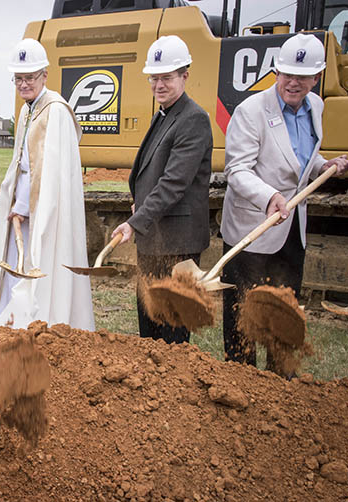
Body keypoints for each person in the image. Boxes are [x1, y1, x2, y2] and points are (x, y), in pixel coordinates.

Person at [220, 34, 348, 371]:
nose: (293, 83)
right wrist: (269, 197)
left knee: (284, 313)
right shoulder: (251, 111)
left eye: (302, 76)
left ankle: (280, 385)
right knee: (243, 316)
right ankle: (239, 379)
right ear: (276, 71)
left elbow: (297, 156)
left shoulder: (315, 106)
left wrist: (324, 165)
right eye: (286, 74)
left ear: (316, 77)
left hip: (293, 231)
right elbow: (236, 170)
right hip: (252, 229)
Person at [0, 39, 94, 331]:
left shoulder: (54, 110)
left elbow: (49, 174)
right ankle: (16, 321)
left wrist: (22, 207)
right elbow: (22, 166)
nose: (24, 83)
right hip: (25, 211)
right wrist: (15, 203)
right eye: (19, 78)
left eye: (30, 77)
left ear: (44, 75)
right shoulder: (27, 111)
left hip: (46, 214)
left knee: (44, 263)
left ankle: (46, 321)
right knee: (19, 265)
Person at [111, 35, 212, 344]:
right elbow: (151, 173)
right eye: (154, 78)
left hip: (177, 243)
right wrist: (138, 205)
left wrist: (136, 220)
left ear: (185, 75)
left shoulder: (193, 119)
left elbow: (174, 182)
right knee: (150, 325)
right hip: (154, 239)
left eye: (166, 77)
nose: (158, 85)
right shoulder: (164, 114)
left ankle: (172, 388)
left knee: (173, 330)